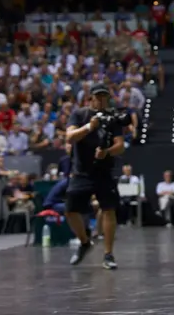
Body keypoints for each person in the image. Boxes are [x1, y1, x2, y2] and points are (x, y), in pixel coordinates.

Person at [64, 83, 125, 270]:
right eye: (97, 97)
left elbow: (120, 145)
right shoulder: (79, 115)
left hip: (104, 171)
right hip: (82, 171)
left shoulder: (113, 118)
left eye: (104, 97)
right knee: (70, 210)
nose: (100, 100)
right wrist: (89, 127)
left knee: (108, 210)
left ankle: (108, 254)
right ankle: (84, 242)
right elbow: (70, 137)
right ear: (90, 98)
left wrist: (107, 152)